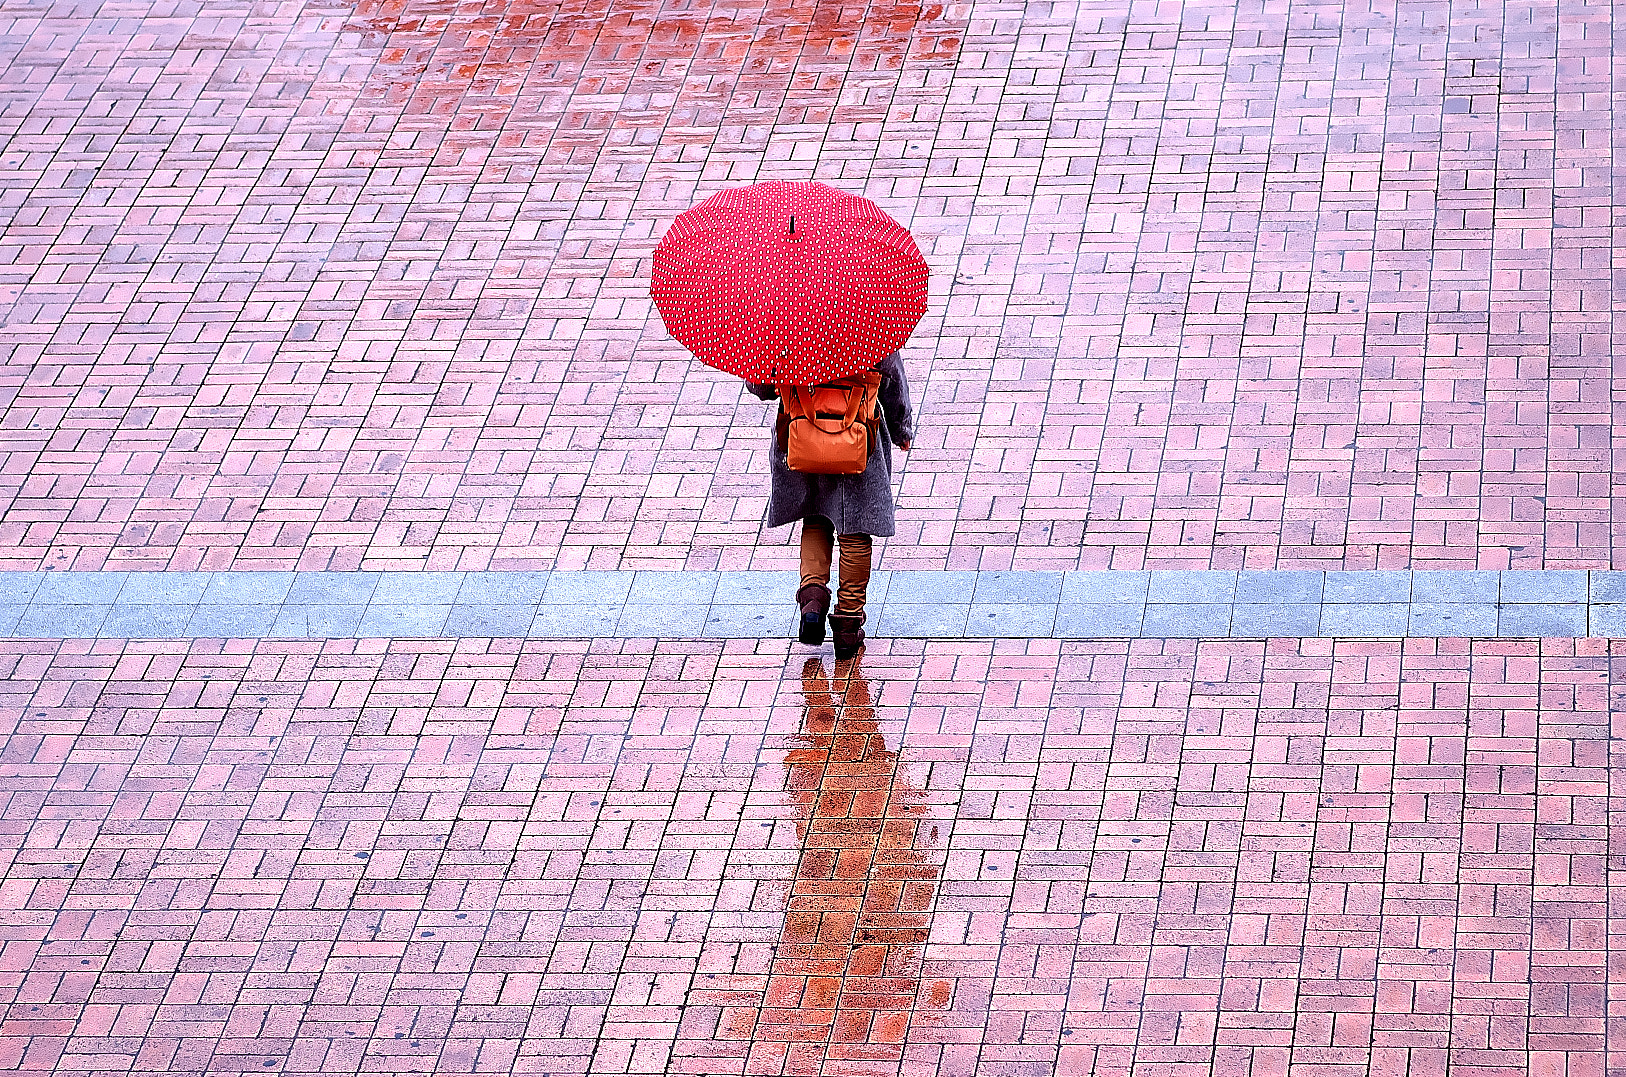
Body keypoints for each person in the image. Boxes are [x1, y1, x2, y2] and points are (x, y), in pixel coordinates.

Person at [746, 351, 914, 660]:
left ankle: (812, 599)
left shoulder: (786, 325)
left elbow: (760, 387)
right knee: (856, 530)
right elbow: (892, 382)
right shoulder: (869, 322)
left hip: (802, 437)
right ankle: (848, 625)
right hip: (858, 442)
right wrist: (901, 428)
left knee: (816, 516)